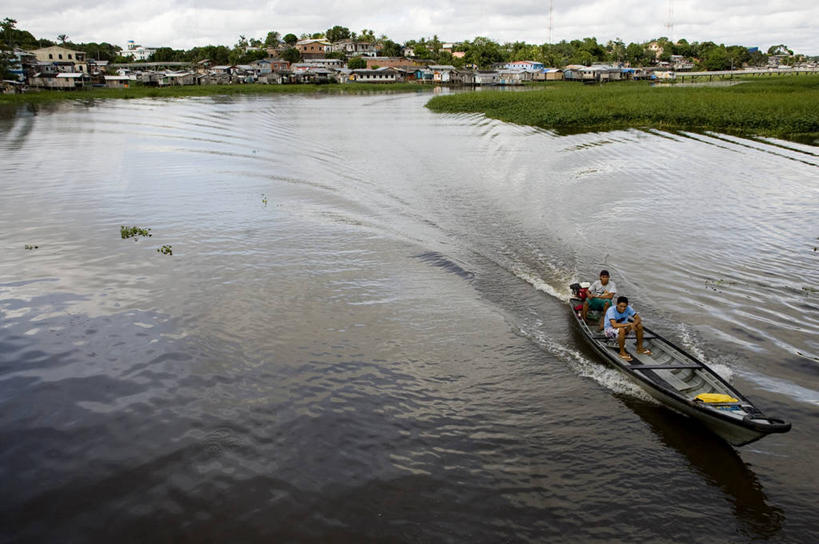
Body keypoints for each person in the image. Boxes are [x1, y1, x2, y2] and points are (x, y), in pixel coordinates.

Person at [605, 296, 651, 362]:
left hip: (622, 328)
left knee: (639, 326)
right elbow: (614, 325)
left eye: (624, 307)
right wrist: (629, 324)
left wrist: (633, 324)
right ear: (617, 304)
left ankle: (639, 348)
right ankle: (622, 352)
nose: (623, 308)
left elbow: (638, 318)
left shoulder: (628, 308)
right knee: (621, 330)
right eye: (621, 306)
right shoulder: (611, 310)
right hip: (609, 331)